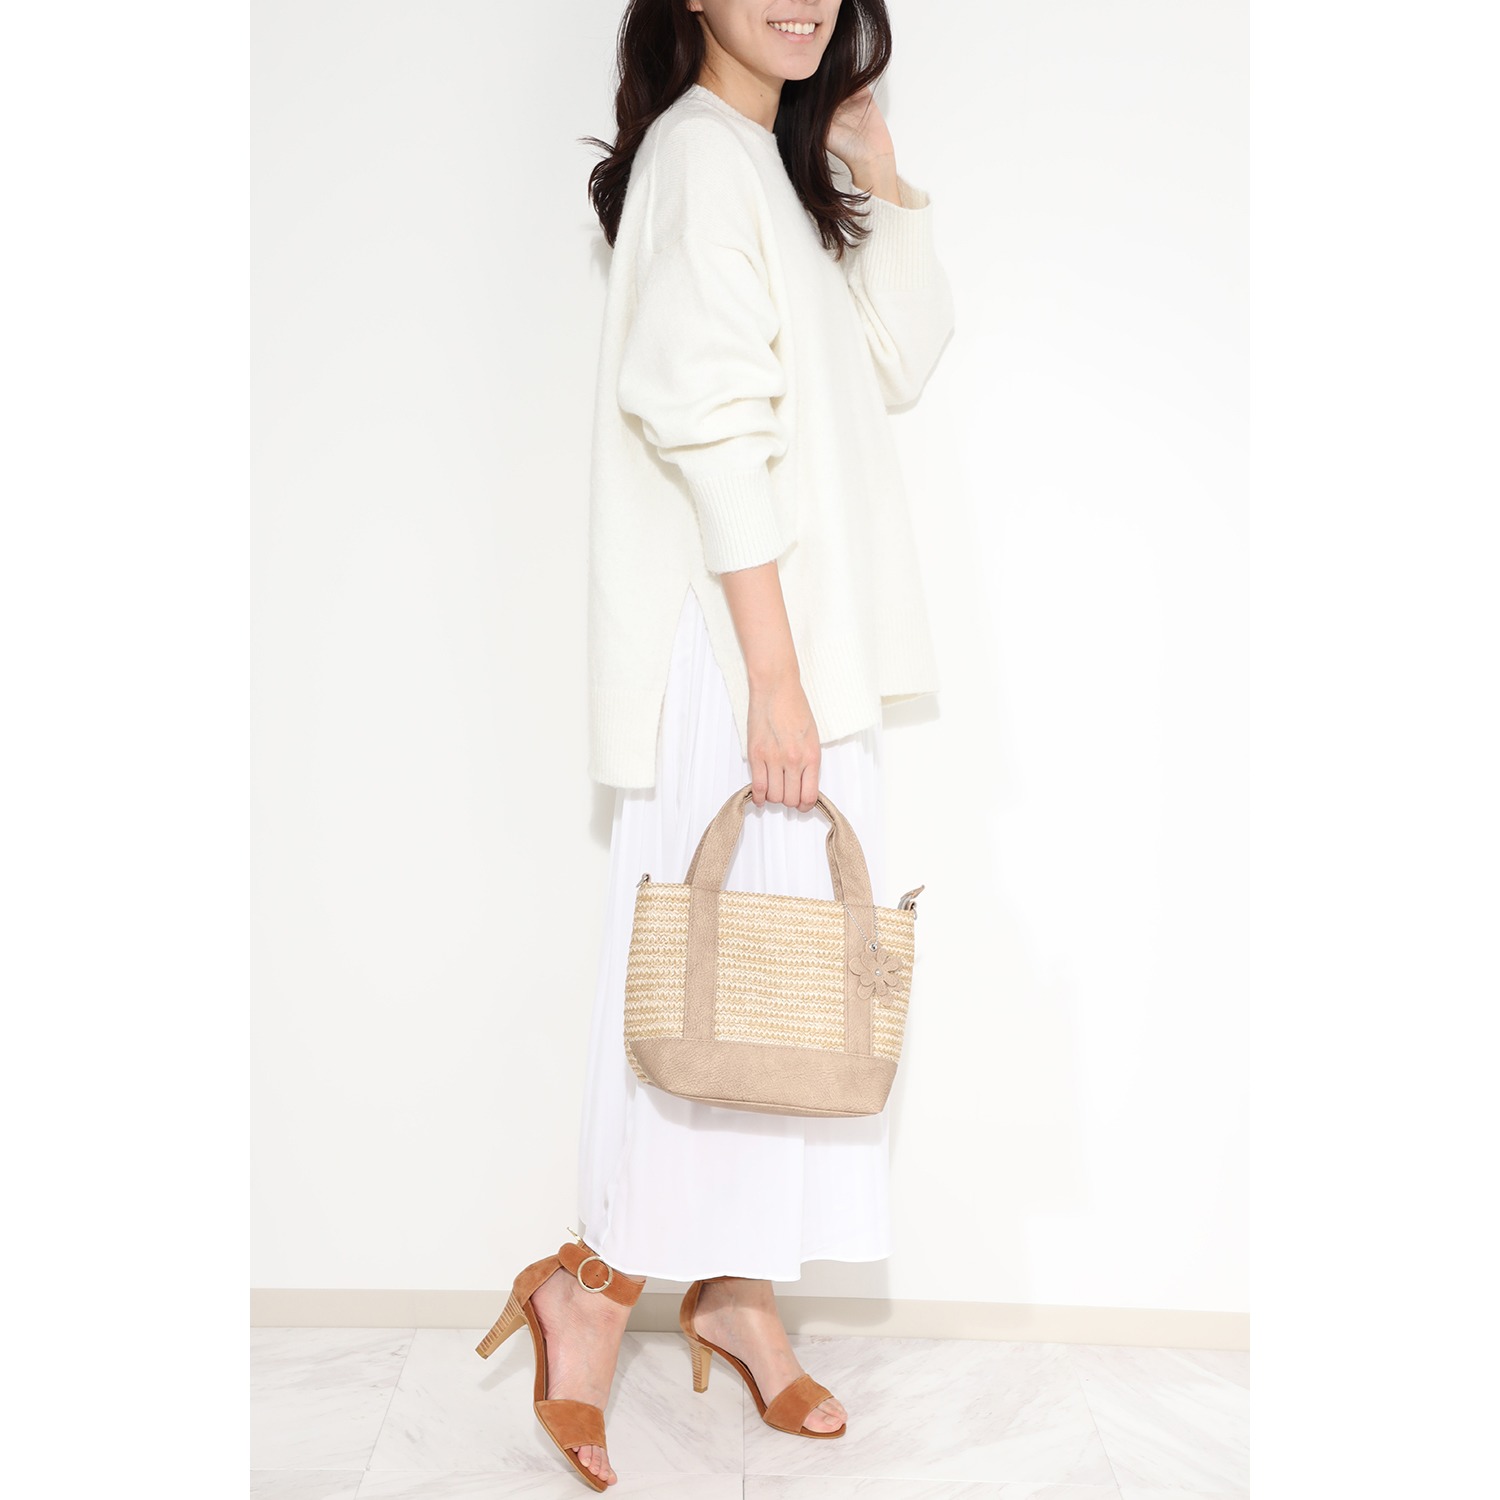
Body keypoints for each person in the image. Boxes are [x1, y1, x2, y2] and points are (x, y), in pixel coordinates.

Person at [476, 1, 953, 1489]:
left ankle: (736, 1293)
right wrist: (771, 675)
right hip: (745, 641)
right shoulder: (695, 156)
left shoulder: (770, 168)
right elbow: (707, 424)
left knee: (778, 997)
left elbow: (904, 356)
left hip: (808, 646)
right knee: (701, 976)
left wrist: (879, 170)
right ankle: (592, 1290)